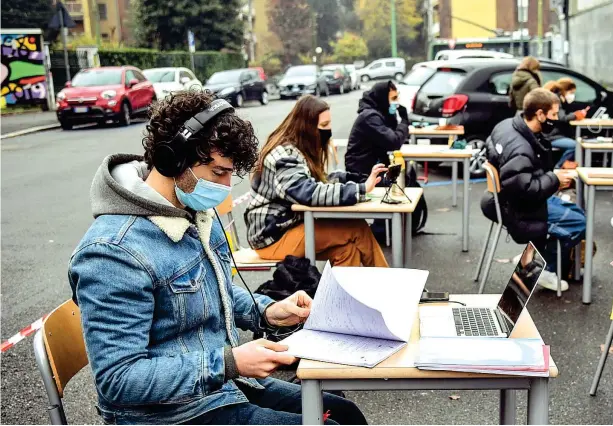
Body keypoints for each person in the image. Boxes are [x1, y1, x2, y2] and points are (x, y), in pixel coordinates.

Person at [68, 90, 367, 425]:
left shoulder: (188, 210)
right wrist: (230, 362)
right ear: (172, 159)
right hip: (170, 414)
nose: (226, 187)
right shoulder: (112, 253)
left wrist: (268, 311)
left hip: (218, 390)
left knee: (345, 413)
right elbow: (119, 380)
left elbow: (212, 289)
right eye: (218, 172)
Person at [245, 95, 389, 268]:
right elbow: (307, 192)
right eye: (323, 126)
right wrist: (360, 189)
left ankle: (342, 296)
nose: (328, 130)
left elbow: (319, 181)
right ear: (306, 126)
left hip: (289, 226)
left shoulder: (297, 149)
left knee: (347, 249)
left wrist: (357, 180)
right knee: (357, 228)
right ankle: (388, 290)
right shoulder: (284, 155)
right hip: (272, 236)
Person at [482, 88, 586, 291]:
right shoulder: (521, 148)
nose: (556, 119)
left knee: (576, 211)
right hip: (517, 207)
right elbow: (524, 190)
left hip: (499, 198)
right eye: (553, 115)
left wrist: (551, 176)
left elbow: (521, 176)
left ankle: (533, 257)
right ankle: (543, 268)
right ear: (539, 114)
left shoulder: (507, 125)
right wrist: (554, 178)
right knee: (579, 222)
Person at [344, 80, 409, 176]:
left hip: (375, 167)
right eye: (393, 98)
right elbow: (394, 142)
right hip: (362, 173)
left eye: (397, 97)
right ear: (383, 99)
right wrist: (404, 121)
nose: (397, 102)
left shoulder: (383, 113)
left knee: (409, 181)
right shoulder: (370, 117)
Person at [543, 77, 590, 168]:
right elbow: (562, 117)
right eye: (571, 92)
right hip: (551, 136)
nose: (572, 95)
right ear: (565, 90)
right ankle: (559, 167)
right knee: (576, 145)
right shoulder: (555, 99)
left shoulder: (556, 98)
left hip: (551, 134)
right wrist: (576, 115)